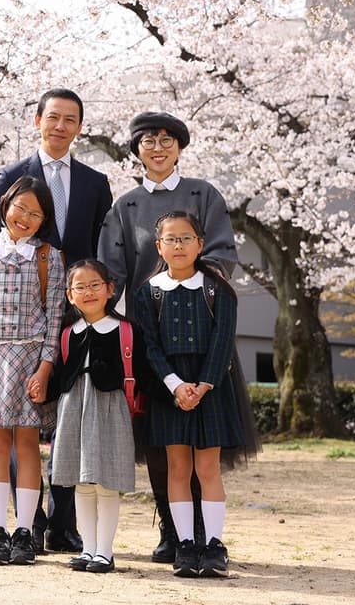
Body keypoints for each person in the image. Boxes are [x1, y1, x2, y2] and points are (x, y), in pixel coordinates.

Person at [97, 110, 248, 564]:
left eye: (167, 140)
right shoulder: (124, 206)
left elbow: (222, 254)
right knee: (163, 441)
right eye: (148, 141)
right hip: (150, 338)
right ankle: (172, 529)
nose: (158, 148)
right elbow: (112, 269)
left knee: (204, 442)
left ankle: (206, 534)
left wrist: (191, 284)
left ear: (180, 146)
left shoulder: (204, 194)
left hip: (203, 335)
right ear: (136, 149)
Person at [0, 88, 112, 553]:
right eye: (52, 117)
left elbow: (99, 252)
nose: (60, 126)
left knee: (69, 416)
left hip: (76, 313)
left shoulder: (96, 183)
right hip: (19, 320)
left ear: (79, 127)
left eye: (70, 119)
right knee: (19, 418)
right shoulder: (12, 175)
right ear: (37, 120)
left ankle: (64, 521)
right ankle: (27, 522)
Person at [0, 176, 67, 566]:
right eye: (20, 207)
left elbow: (55, 320)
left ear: (44, 221)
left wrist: (45, 369)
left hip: (30, 360)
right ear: (5, 205)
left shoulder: (50, 258)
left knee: (28, 444)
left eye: (35, 213)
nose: (25, 217)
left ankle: (24, 530)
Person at [131, 211, 244, 578]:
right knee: (177, 468)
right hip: (170, 392)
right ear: (158, 246)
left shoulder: (219, 290)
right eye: (170, 239)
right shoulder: (147, 292)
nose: (178, 245)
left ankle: (213, 545)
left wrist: (204, 384)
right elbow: (149, 346)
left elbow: (223, 342)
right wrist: (175, 385)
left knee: (207, 468)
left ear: (200, 243)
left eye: (186, 238)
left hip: (211, 389)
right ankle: (185, 544)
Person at [46, 260, 135, 574]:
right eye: (79, 287)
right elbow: (60, 375)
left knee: (106, 483)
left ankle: (106, 552)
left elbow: (141, 372)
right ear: (70, 295)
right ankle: (88, 549)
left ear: (110, 289)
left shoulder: (125, 330)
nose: (88, 292)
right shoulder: (69, 333)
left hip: (109, 410)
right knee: (81, 483)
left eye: (95, 285)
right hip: (74, 409)